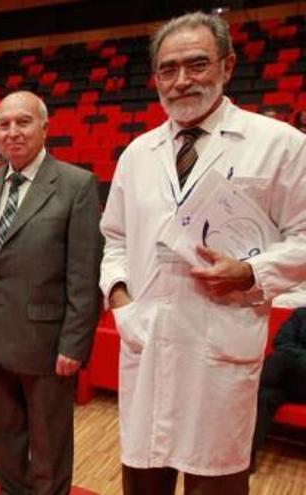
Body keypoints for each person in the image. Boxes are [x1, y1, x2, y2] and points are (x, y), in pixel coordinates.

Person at [100, 12, 306, 494]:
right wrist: (121, 301)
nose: (181, 80)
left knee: (216, 481)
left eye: (197, 64)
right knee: (144, 480)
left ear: (228, 66)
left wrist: (252, 271)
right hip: (147, 343)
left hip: (220, 347)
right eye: (168, 70)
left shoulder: (281, 145)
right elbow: (115, 240)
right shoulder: (138, 153)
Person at [0, 91, 103, 495]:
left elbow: (83, 274)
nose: (12, 132)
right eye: (3, 124)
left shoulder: (76, 185)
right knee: (2, 440)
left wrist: (74, 344)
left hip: (46, 344)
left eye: (22, 122)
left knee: (49, 446)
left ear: (45, 127)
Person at [251, 307, 306, 470]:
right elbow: (280, 341)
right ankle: (248, 455)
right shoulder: (301, 314)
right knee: (265, 396)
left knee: (279, 359)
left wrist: (296, 357)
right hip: (288, 380)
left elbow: (285, 349)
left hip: (291, 372)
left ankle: (252, 388)